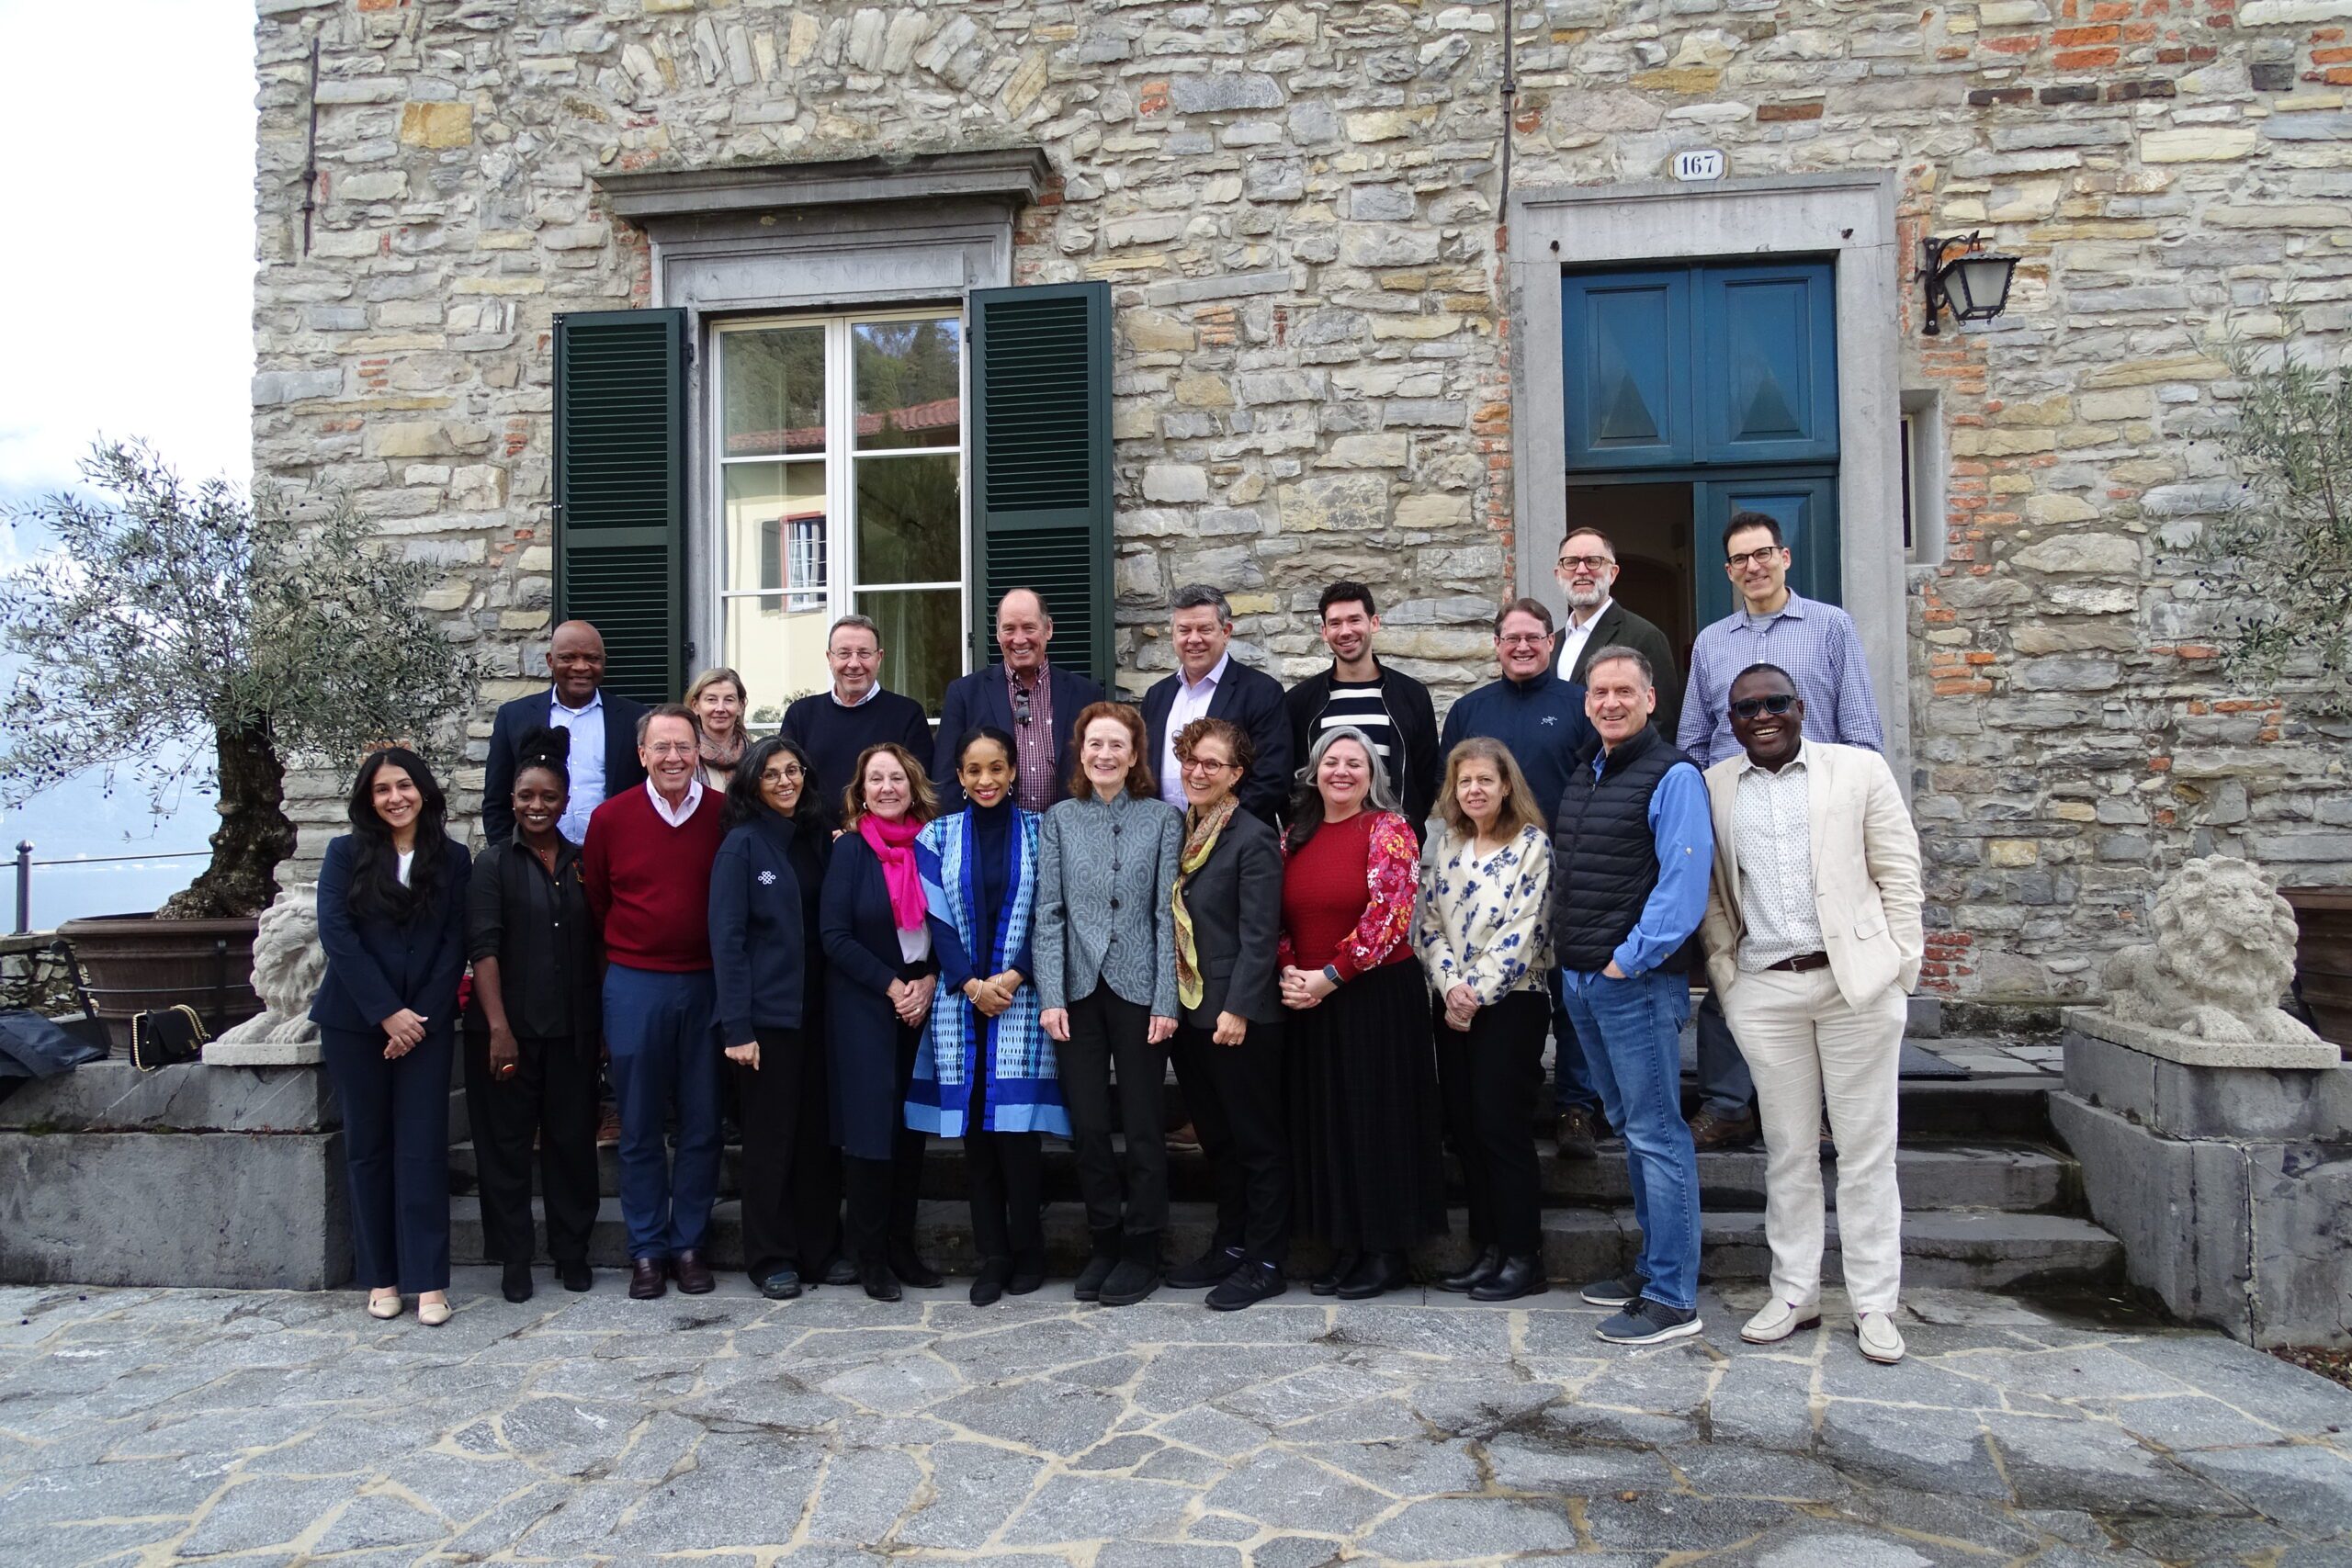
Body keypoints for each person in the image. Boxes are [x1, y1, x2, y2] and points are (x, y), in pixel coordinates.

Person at [1700, 663, 1923, 1365]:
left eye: (1774, 702)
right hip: (1766, 988)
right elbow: (1710, 890)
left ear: (1800, 707)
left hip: (1855, 983)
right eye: (1745, 708)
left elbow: (1899, 870)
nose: (1761, 715)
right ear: (1729, 721)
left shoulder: (1858, 771)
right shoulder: (1714, 787)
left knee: (1865, 1151)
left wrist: (1901, 967)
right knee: (1788, 1151)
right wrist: (1728, 979)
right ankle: (1794, 1290)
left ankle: (1873, 1301)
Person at [1677, 512, 1885, 1153]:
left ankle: (1815, 1107)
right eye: (1740, 558)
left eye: (1763, 553)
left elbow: (1860, 730)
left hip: (1816, 815)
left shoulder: (1831, 627)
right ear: (1728, 570)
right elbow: (1692, 736)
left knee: (1817, 958)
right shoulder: (1713, 641)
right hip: (1737, 818)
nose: (1753, 566)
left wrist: (1860, 819)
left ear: (1785, 556)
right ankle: (1730, 1099)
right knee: (1732, 953)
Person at [1554, 646, 1713, 1346]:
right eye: (1598, 691)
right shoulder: (1588, 771)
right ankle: (1652, 1266)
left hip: (1636, 983)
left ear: (1652, 699)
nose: (1610, 701)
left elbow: (1681, 888)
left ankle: (1674, 1296)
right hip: (1584, 978)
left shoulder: (1674, 773)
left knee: (1657, 1134)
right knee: (1634, 1128)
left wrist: (1627, 962)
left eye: (1624, 690)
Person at [1438, 599, 1609, 1161]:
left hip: (1569, 868)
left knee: (1570, 993)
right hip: (1492, 885)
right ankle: (1514, 1087)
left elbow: (1595, 780)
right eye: (1510, 638)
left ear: (1551, 642)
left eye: (1533, 637)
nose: (1522, 647)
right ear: (1496, 645)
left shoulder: (1577, 705)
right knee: (1511, 997)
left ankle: (1576, 1106)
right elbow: (1452, 796)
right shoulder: (1468, 709)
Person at [1279, 727, 1443, 1300]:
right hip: (1312, 998)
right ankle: (1346, 1243)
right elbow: (1277, 913)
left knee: (1377, 1121)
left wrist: (1329, 977)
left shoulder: (1389, 829)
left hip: (1374, 995)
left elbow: (1389, 917)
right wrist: (1290, 972)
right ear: (1314, 771)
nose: (1342, 771)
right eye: (1331, 761)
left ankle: (1385, 1250)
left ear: (1373, 776)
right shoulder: (1295, 835)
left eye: (1356, 762)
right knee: (1331, 1123)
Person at [910, 727, 1070, 1305]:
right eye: (974, 770)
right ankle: (992, 1257)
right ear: (958, 775)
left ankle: (1029, 1252)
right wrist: (972, 984)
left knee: (1019, 1136)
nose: (986, 781)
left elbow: (1053, 911)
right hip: (961, 1001)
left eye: (997, 768)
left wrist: (1012, 975)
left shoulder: (1041, 830)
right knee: (976, 1137)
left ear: (1013, 772)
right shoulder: (935, 836)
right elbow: (937, 922)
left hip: (1022, 1000)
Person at [311, 748, 471, 1325]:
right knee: (369, 1150)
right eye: (382, 790)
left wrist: (417, 1018)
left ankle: (430, 1283)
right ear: (368, 800)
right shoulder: (344, 853)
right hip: (355, 1025)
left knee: (422, 1150)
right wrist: (387, 1014)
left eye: (404, 786)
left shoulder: (453, 859)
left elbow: (456, 941)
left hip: (425, 1028)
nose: (396, 798)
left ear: (423, 791)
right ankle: (383, 1277)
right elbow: (337, 935)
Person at [1035, 703, 1183, 1307]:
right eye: (1094, 743)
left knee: (1145, 1125)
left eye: (1115, 745)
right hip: (1076, 990)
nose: (1103, 754)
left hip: (1140, 988)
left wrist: (1166, 999)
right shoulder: (1060, 820)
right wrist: (1050, 995)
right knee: (1090, 1125)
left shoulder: (1163, 820)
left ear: (1134, 753)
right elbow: (1049, 912)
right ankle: (1105, 1238)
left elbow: (1165, 915)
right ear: (1080, 750)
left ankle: (1144, 1246)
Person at [582, 705, 729, 1301]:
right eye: (661, 746)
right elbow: (597, 901)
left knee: (701, 1122)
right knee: (638, 1124)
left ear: (699, 751)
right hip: (635, 982)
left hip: (707, 984)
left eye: (684, 746)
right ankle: (646, 1249)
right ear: (641, 752)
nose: (674, 757)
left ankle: (688, 1244)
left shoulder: (724, 814)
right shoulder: (610, 818)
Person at [1415, 738, 1555, 1303]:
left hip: (1512, 1001)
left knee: (1501, 1128)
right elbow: (1428, 923)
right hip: (1451, 1003)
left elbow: (1529, 924)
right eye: (1464, 781)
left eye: (1484, 781)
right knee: (1467, 1129)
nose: (1474, 790)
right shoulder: (1445, 845)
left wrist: (1476, 992)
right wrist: (1451, 986)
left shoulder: (1532, 846)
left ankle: (1524, 1255)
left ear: (1506, 786)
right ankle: (1488, 1250)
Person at [464, 727, 600, 1304]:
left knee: (572, 1148)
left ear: (565, 802)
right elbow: (484, 947)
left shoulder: (582, 865)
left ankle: (572, 1252)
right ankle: (514, 1259)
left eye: (548, 797)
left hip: (571, 1034)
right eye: (526, 797)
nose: (537, 806)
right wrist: (499, 1030)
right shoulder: (492, 864)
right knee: (506, 1151)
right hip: (508, 1034)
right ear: (512, 801)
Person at [709, 736, 847, 1301]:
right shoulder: (741, 846)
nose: (785, 782)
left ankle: (820, 1249)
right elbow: (728, 940)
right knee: (772, 1141)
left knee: (818, 1138)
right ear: (752, 785)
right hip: (766, 1022)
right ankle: (771, 1257)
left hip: (820, 1015)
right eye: (771, 775)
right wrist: (737, 1029)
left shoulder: (816, 840)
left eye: (793, 771)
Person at [1163, 717, 1291, 1310]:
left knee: (1256, 1142)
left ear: (1237, 773)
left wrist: (1237, 1009)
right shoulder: (1184, 831)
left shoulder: (1252, 836)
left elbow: (1260, 934)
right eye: (1191, 760)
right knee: (1218, 1141)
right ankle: (1230, 1245)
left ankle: (1266, 1259)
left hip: (1240, 1017)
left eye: (1213, 763)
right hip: (1193, 1015)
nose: (1198, 771)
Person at [822, 742, 946, 1301]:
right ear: (861, 791)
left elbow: (954, 920)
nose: (888, 788)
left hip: (922, 999)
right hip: (867, 1005)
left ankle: (902, 1247)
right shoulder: (850, 852)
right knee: (872, 1131)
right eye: (876, 780)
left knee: (911, 1130)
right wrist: (894, 985)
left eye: (897, 777)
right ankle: (868, 1255)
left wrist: (929, 978)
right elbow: (834, 936)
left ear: (913, 784)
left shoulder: (934, 846)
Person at [1283, 581, 1442, 829]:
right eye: (1335, 623)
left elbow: (1425, 777)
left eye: (1354, 620)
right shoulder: (1301, 701)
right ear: (1324, 632)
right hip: (1322, 840)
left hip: (1393, 844)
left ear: (1374, 623)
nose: (1345, 631)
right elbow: (1292, 779)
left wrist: (1407, 828)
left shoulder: (1412, 696)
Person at [934, 588, 1105, 812]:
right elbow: (945, 780)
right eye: (1009, 629)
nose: (1019, 639)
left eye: (1029, 628)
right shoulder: (965, 694)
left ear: (1048, 629)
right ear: (997, 635)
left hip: (1071, 836)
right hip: (995, 838)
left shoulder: (1085, 694)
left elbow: (1103, 769)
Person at [482, 620, 649, 844]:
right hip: (536, 861)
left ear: (604, 662)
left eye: (592, 658)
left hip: (614, 857)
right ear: (550, 661)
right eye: (568, 658)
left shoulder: (634, 718)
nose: (581, 667)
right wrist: (509, 859)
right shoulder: (514, 717)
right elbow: (497, 801)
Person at [1141, 584, 1293, 826]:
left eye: (1204, 629)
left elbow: (1271, 779)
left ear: (1226, 632)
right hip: (1163, 843)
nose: (1194, 639)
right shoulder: (1157, 696)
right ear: (1173, 635)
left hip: (1231, 846)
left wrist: (1218, 835)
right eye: (1184, 630)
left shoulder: (1261, 692)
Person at [778, 615, 935, 812]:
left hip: (880, 840)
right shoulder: (801, 715)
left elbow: (917, 788)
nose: (854, 663)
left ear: (879, 658)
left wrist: (855, 832)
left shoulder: (908, 715)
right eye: (844, 654)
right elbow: (784, 781)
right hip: (811, 838)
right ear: (829, 658)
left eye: (864, 653)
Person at [1554, 527, 1681, 740]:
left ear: (1612, 573)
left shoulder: (1645, 636)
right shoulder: (1553, 643)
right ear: (1558, 574)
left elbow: (1662, 724)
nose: (1582, 570)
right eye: (1571, 562)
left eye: (1593, 561)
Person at [685, 667, 752, 791]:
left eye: (729, 700)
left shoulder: (756, 757)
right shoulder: (682, 757)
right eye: (711, 700)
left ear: (740, 706)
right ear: (695, 706)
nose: (720, 708)